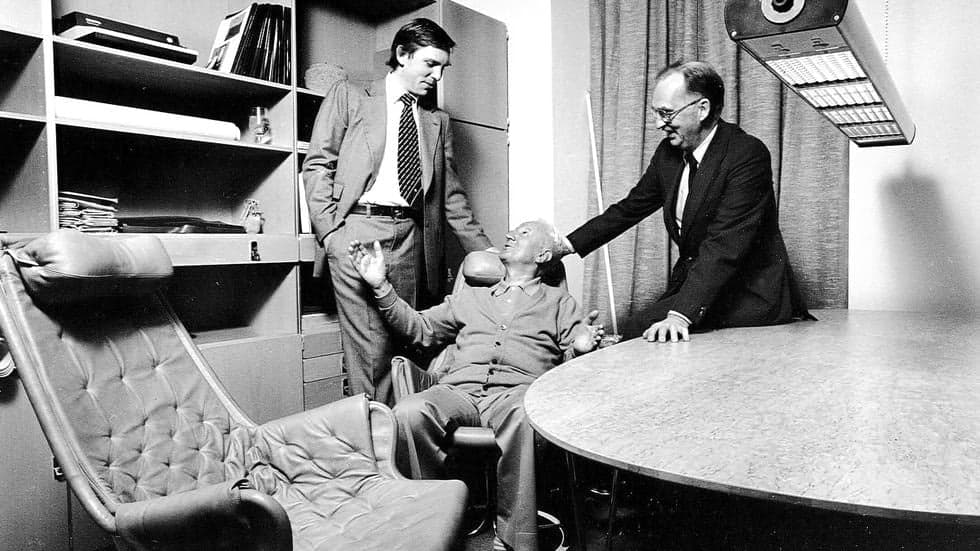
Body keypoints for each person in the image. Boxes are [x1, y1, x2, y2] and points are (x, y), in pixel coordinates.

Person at [348, 220, 602, 551]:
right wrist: (380, 285)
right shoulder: (471, 297)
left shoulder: (559, 302)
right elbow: (419, 328)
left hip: (516, 394)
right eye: (512, 231)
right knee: (409, 411)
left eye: (523, 233)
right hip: (458, 391)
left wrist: (581, 348)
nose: (510, 234)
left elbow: (572, 357)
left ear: (542, 254)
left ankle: (515, 539)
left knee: (526, 414)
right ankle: (428, 524)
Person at [302, 18, 493, 406]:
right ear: (403, 55)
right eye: (430, 64)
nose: (437, 76)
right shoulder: (350, 96)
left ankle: (395, 433)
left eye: (442, 67)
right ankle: (373, 436)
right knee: (370, 355)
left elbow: (451, 197)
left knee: (402, 344)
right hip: (357, 231)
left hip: (410, 238)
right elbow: (318, 164)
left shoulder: (437, 121)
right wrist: (332, 235)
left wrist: (488, 253)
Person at [557, 60, 809, 343]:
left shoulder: (746, 154)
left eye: (666, 113)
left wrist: (680, 315)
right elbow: (630, 208)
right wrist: (566, 246)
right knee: (639, 327)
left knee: (639, 328)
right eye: (655, 113)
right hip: (703, 287)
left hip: (749, 294)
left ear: (702, 109)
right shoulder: (669, 152)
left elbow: (724, 245)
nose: (657, 124)